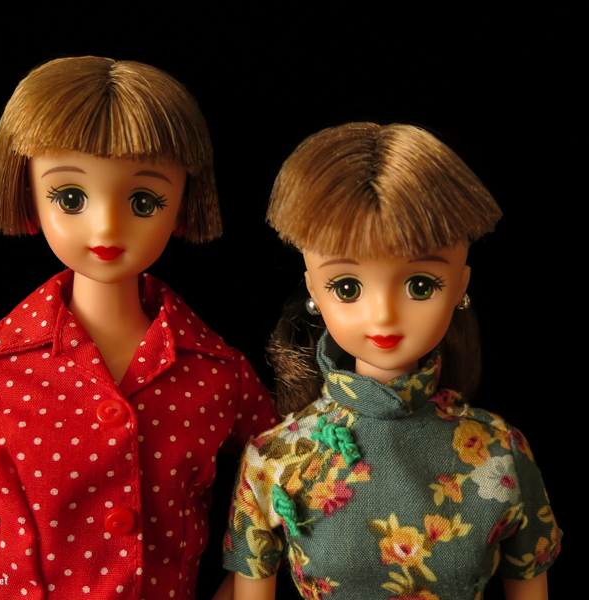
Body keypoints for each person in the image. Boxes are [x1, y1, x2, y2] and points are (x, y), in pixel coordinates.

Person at [0, 56, 277, 600]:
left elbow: (289, 473)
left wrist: (248, 581)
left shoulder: (218, 374)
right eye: (70, 198)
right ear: (27, 195)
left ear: (185, 203)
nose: (106, 226)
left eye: (143, 201)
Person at [223, 123, 561, 599]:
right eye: (348, 287)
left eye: (420, 285)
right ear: (314, 288)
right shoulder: (276, 459)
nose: (383, 315)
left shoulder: (498, 452)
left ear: (460, 286)